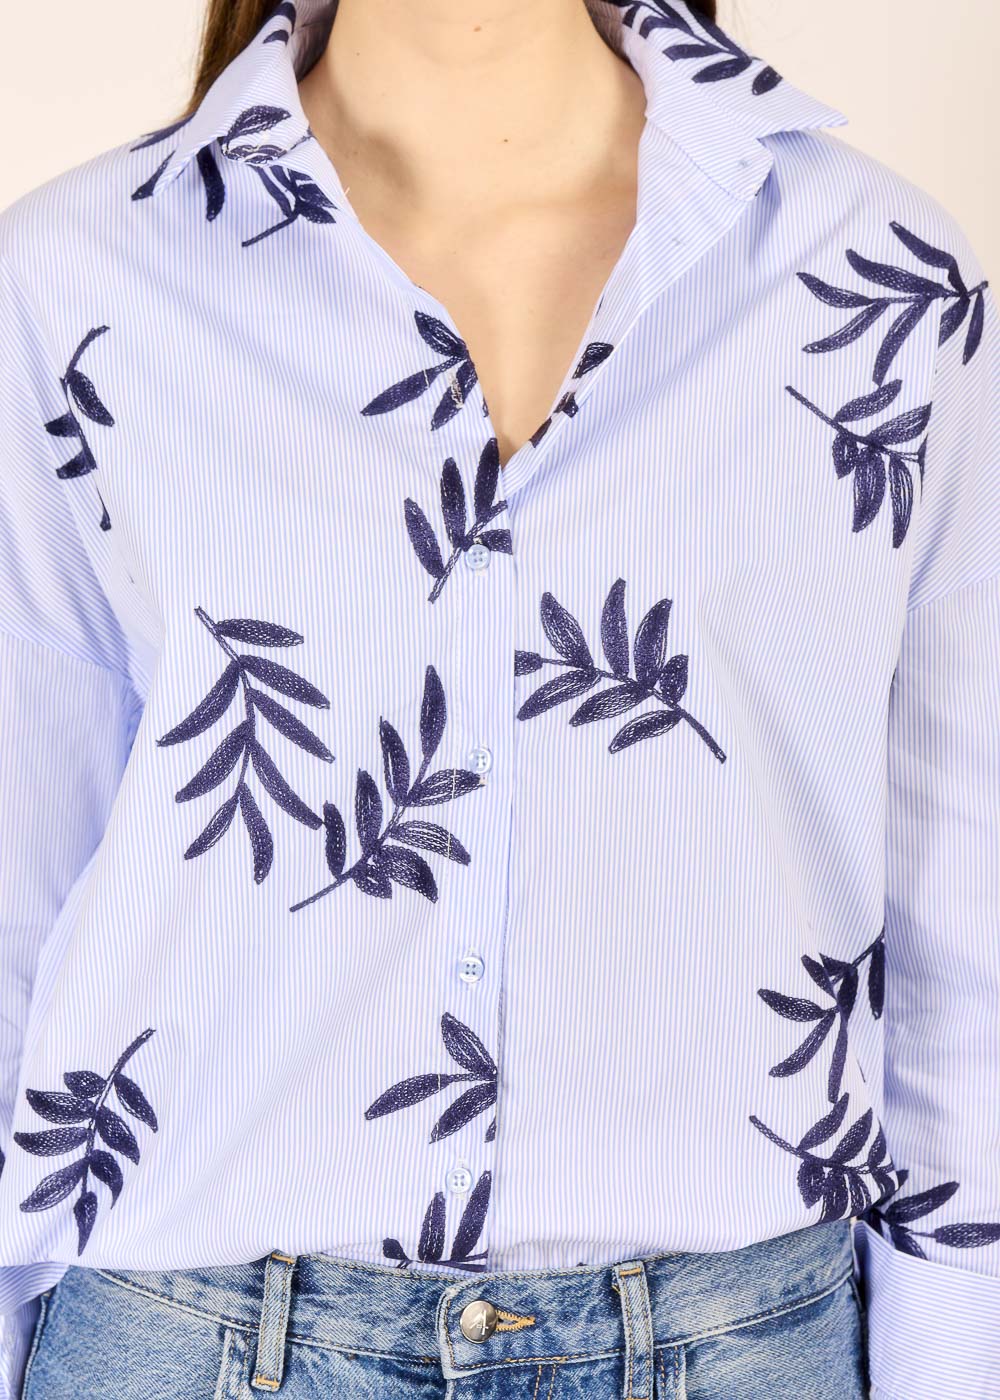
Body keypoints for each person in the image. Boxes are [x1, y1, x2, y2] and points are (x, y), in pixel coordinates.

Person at [0, 0, 996, 1395]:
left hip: (740, 1343)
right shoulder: (75, 281)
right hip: (187, 1336)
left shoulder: (883, 284)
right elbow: (18, 890)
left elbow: (964, 929)